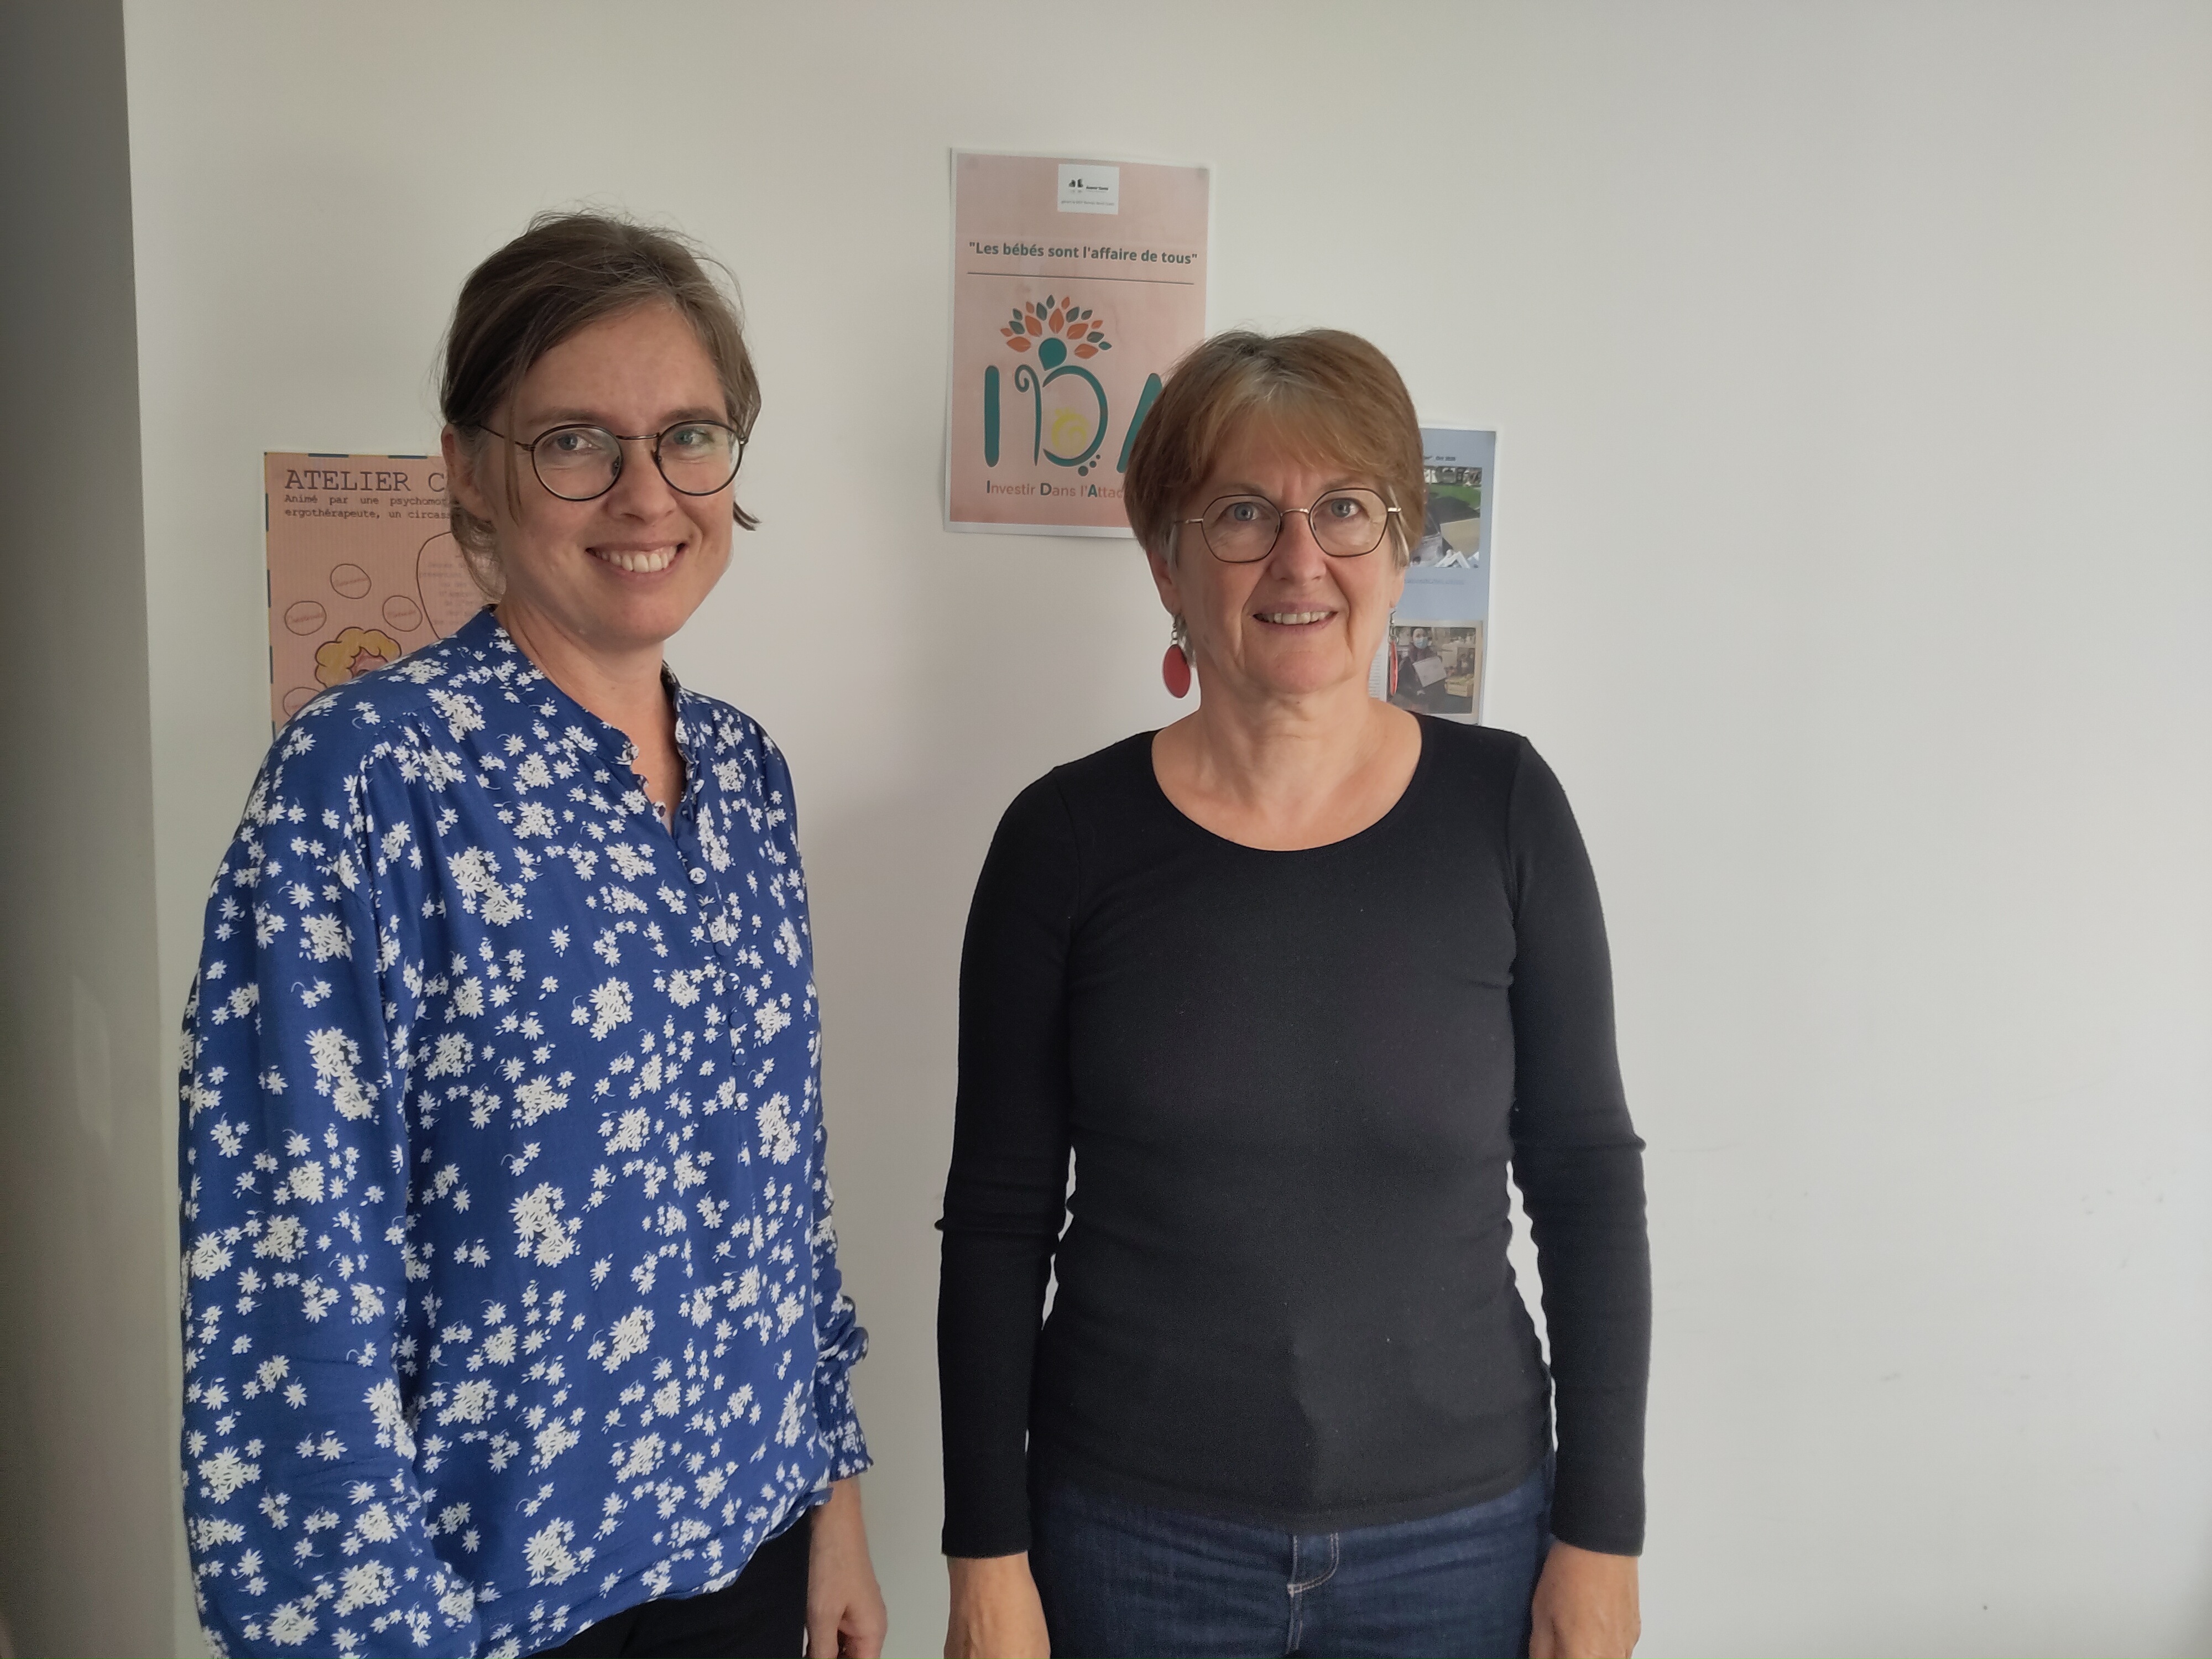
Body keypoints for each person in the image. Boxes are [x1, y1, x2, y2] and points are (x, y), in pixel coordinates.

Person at [178, 213, 886, 1659]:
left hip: (748, 1557)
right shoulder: (367, 785)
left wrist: (834, 1505)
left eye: (688, 436)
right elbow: (290, 1281)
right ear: (471, 470)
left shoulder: (745, 777)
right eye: (577, 440)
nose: (644, 492)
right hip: (487, 1606)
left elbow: (779, 1194)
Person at [937, 330, 1650, 1659]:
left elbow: (1586, 1181)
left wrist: (1601, 1535)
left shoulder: (1504, 812)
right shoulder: (1061, 841)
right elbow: (995, 1223)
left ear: (1396, 548)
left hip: (1462, 1540)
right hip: (1127, 1540)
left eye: (1343, 511)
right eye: (1242, 515)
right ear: (1164, 563)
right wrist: (984, 1555)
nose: (1298, 559)